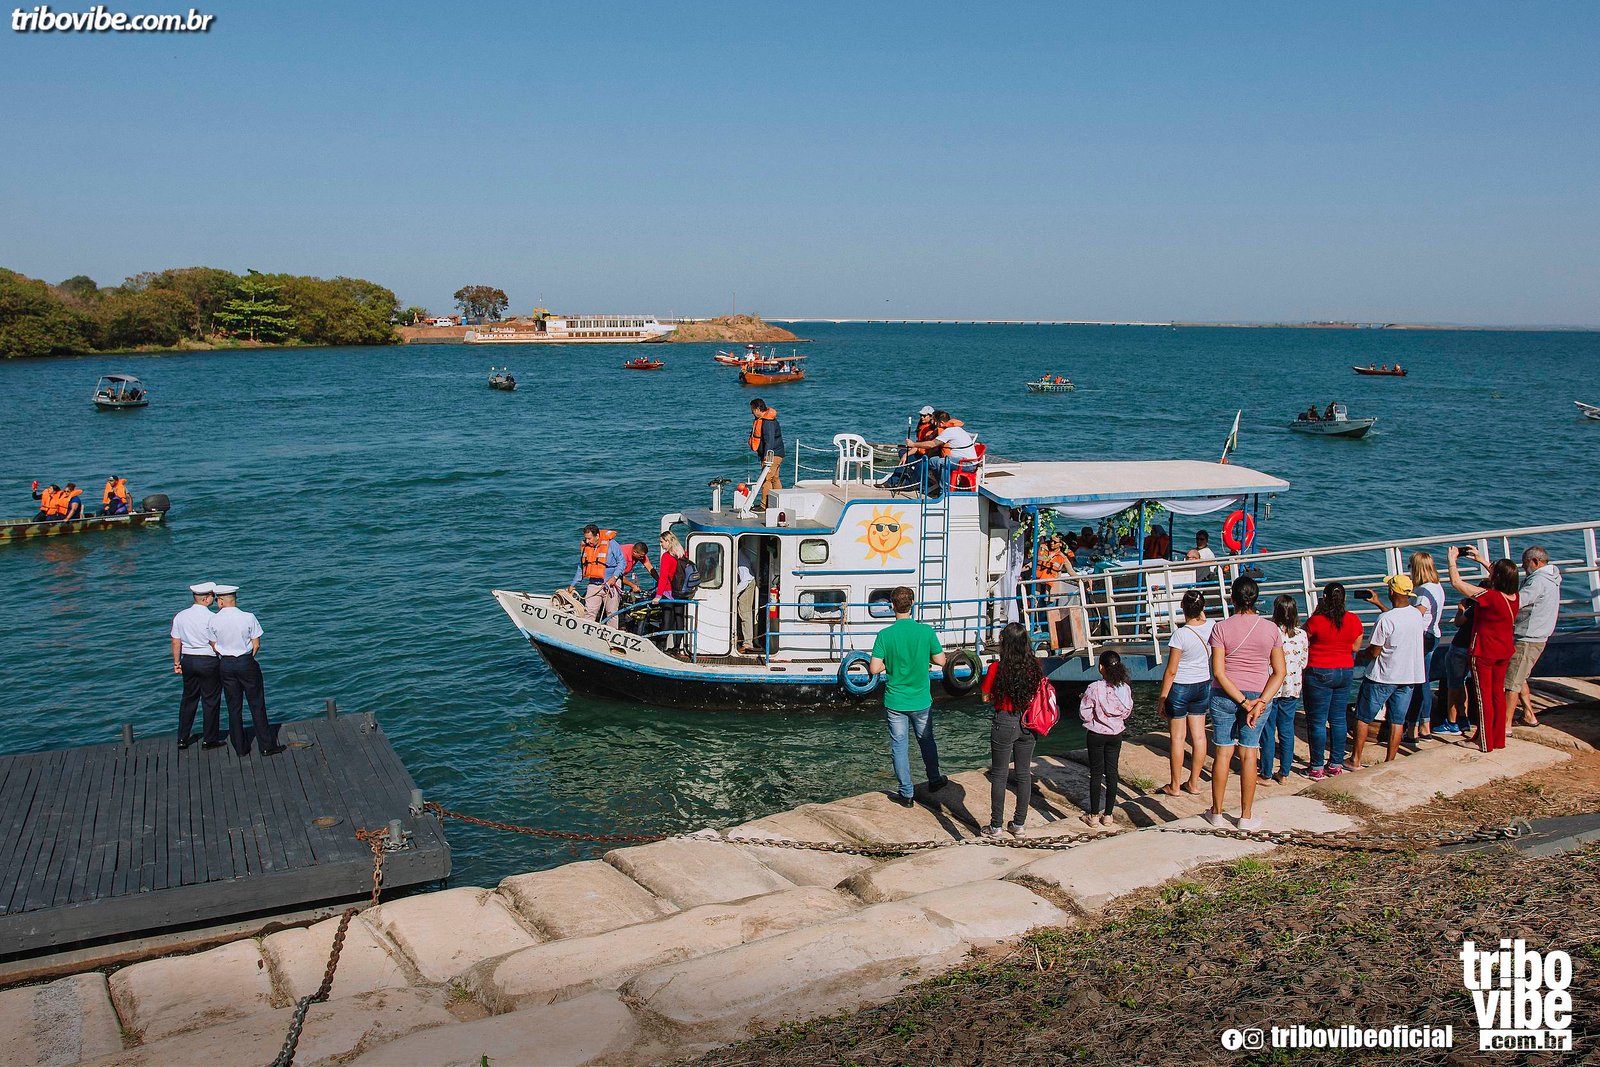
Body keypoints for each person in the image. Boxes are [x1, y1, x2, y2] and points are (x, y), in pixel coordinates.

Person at [1206, 575, 1285, 829]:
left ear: (1233, 598)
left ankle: (1216, 813)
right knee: (1250, 754)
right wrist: (1259, 702)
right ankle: (1246, 816)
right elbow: (1279, 672)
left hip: (1226, 696)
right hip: (1258, 696)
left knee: (1223, 752)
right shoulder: (1271, 629)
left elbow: (1218, 671)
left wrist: (1243, 702)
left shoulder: (1220, 628)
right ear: (1257, 599)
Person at [868, 586, 947, 807]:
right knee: (926, 740)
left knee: (899, 746)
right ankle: (934, 779)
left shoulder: (885, 635)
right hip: (921, 699)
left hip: (895, 701)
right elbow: (941, 661)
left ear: (892, 606)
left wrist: (889, 663)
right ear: (912, 603)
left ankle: (906, 794)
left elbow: (874, 669)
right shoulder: (926, 632)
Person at [1448, 547, 1520, 752]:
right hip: (1503, 651)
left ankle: (1485, 741)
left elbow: (1457, 584)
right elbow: (1501, 574)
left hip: (1484, 652)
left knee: (1483, 697)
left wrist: (1452, 560)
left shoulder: (1490, 597)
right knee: (1497, 694)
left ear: (1496, 577)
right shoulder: (1513, 596)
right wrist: (1480, 558)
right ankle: (1497, 738)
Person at [1350, 576, 1425, 770]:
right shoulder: (1417, 615)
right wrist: (1378, 604)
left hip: (1383, 675)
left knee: (1363, 716)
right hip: (1408, 675)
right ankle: (1389, 761)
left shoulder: (1385, 619)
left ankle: (1355, 759)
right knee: (1397, 720)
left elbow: (1375, 651)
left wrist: (1359, 656)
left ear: (1392, 591)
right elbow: (1397, 620)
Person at [980, 622, 1044, 836]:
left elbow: (985, 696)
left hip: (1004, 722)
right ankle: (1019, 824)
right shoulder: (1034, 666)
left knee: (999, 775)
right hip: (1028, 723)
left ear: (1004, 644)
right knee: (1024, 774)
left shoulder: (996, 669)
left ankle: (995, 825)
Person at [207, 585, 283, 756]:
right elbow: (256, 644)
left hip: (225, 664)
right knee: (257, 704)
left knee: (234, 706)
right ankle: (266, 745)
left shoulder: (213, 620)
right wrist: (247, 657)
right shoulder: (248, 617)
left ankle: (240, 748)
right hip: (246, 662)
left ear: (220, 601)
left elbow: (213, 645)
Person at [1303, 582, 1364, 779]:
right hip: (1345, 670)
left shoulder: (1317, 620)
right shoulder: (1353, 620)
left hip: (1319, 670)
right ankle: (1336, 764)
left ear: (1325, 599)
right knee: (1338, 719)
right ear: (1344, 599)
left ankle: (1316, 766)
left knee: (1317, 721)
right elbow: (1355, 647)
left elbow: (1303, 637)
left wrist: (1316, 612)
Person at [1157, 589, 1213, 797]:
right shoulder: (1212, 626)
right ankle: (1194, 783)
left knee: (1178, 739)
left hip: (1180, 687)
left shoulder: (1180, 635)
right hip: (1203, 684)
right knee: (1199, 737)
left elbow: (1171, 670)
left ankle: (1174, 785)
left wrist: (1163, 697)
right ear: (1202, 608)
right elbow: (1205, 618)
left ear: (1182, 608)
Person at [1509, 546, 1561, 727]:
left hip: (1527, 637)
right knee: (1520, 676)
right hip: (1539, 634)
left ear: (1535, 562)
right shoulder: (1552, 578)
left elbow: (1518, 601)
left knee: (1511, 683)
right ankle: (1529, 714)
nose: (1524, 569)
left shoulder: (1537, 581)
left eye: (1525, 565)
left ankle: (1505, 725)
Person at [1080, 650, 1133, 827]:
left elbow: (1084, 714)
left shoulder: (1094, 687)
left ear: (1101, 667)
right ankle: (1108, 815)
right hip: (1115, 734)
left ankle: (1094, 815)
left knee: (1095, 773)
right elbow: (1127, 712)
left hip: (1096, 734)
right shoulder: (1125, 688)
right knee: (1112, 773)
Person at [171, 581, 224, 750]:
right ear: (207, 598)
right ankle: (209, 739)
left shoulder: (180, 616)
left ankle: (182, 737)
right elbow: (216, 643)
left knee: (188, 699)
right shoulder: (212, 618)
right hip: (208, 660)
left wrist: (177, 662)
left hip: (188, 660)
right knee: (210, 700)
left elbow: (176, 641)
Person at [1260, 594, 1307, 783]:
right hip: (1292, 687)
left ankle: (1266, 772)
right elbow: (1303, 661)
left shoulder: (1270, 633)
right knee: (1287, 730)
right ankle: (1284, 772)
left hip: (1271, 687)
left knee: (1268, 730)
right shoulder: (1301, 634)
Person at [1408, 551, 1446, 739]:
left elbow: (1416, 615)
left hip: (1422, 637)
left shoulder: (1423, 591)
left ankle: (1416, 725)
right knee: (1425, 681)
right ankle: (1425, 724)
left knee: (1418, 683)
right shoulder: (1437, 586)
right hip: (1434, 634)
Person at [896, 411, 977, 498]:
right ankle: (942, 484)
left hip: (968, 464)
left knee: (942, 462)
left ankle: (944, 493)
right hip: (959, 461)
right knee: (933, 461)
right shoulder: (953, 429)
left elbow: (932, 444)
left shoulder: (949, 431)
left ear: (941, 423)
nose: (934, 424)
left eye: (935, 422)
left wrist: (913, 444)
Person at [566, 525, 626, 623]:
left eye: (589, 538)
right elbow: (581, 567)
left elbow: (622, 562)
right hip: (594, 584)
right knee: (589, 612)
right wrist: (573, 585)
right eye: (586, 538)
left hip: (611, 584)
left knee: (611, 613)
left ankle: (610, 635)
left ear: (597, 536)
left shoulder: (612, 544)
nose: (587, 541)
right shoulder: (586, 547)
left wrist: (614, 577)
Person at [1441, 598, 1477, 736]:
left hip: (1460, 647)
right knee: (1462, 684)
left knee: (1454, 686)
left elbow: (1458, 622)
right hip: (1473, 648)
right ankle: (1463, 717)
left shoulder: (1475, 607)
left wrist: (1461, 609)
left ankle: (1452, 722)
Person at [652, 531, 690, 652]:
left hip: (669, 592)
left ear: (668, 542)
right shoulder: (683, 554)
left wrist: (658, 596)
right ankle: (677, 647)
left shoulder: (666, 557)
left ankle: (661, 646)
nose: (660, 544)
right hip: (682, 591)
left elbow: (663, 578)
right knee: (679, 619)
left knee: (667, 619)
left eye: (662, 542)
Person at [748, 399, 784, 509]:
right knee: (775, 478)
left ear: (758, 409)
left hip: (772, 455)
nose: (752, 412)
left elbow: (770, 441)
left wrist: (766, 458)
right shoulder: (766, 420)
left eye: (753, 410)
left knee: (766, 479)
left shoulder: (767, 422)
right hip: (778, 453)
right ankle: (780, 502)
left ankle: (764, 505)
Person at [735, 546, 758, 654]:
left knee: (745, 613)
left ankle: (748, 643)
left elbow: (745, 579)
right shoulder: (740, 555)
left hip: (747, 584)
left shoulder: (740, 559)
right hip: (747, 583)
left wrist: (734, 593)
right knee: (744, 613)